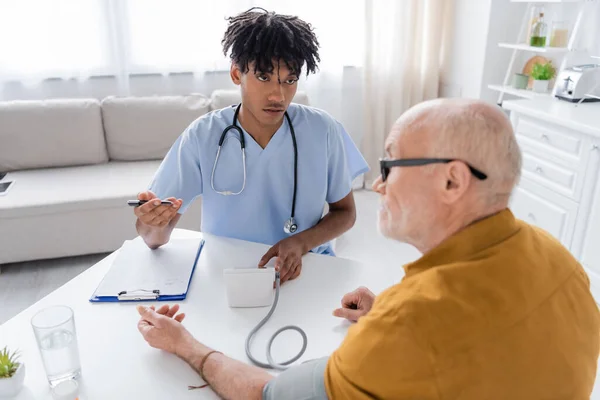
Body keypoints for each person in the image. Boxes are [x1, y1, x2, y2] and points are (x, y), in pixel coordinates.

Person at [136, 98, 599, 399]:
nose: (377, 184)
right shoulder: (561, 262)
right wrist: (388, 315)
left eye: (391, 164)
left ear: (452, 180)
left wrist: (186, 345)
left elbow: (267, 394)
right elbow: (496, 348)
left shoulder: (408, 324)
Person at [133, 7, 368, 283]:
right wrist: (152, 225)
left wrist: (302, 242)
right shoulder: (203, 136)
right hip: (230, 275)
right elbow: (154, 238)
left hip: (306, 267)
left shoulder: (323, 130)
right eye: (264, 77)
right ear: (236, 73)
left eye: (289, 80)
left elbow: (346, 213)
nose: (278, 95)